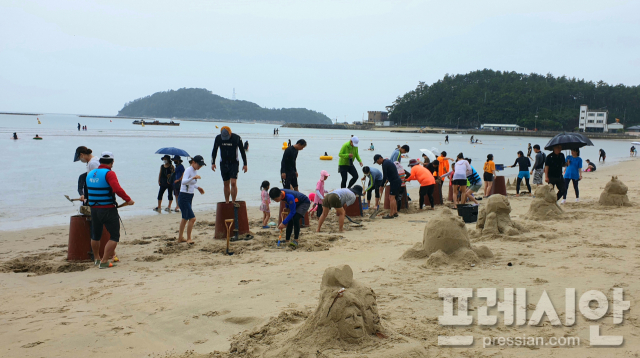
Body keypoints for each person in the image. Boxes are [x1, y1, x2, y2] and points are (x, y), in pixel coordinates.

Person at [86, 151, 134, 269]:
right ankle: (104, 261)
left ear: (100, 161)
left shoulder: (90, 173)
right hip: (107, 208)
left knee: (95, 235)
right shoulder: (109, 173)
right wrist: (128, 200)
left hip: (94, 209)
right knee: (114, 236)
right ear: (112, 162)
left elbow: (88, 191)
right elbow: (117, 188)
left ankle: (97, 259)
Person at [211, 126, 247, 205]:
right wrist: (213, 163)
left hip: (234, 163)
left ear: (230, 133)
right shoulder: (218, 138)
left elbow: (242, 151)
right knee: (226, 183)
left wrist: (245, 164)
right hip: (223, 163)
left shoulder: (237, 138)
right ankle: (227, 202)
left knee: (233, 183)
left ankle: (233, 201)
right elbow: (214, 150)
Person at [178, 155, 206, 244]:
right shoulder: (188, 170)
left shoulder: (195, 171)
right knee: (192, 218)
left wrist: (198, 187)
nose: (200, 167)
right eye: (199, 165)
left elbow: (190, 184)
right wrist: (193, 178)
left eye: (201, 165)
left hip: (190, 196)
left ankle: (180, 238)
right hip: (183, 196)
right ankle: (189, 238)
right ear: (193, 162)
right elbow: (183, 181)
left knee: (185, 218)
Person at [374, 154, 401, 219]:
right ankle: (395, 212)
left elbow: (385, 176)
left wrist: (381, 185)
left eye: (377, 161)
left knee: (391, 198)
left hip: (395, 182)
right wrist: (387, 180)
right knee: (392, 197)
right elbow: (390, 173)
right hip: (396, 181)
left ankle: (391, 214)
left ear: (380, 158)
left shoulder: (385, 164)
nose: (377, 163)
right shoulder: (387, 161)